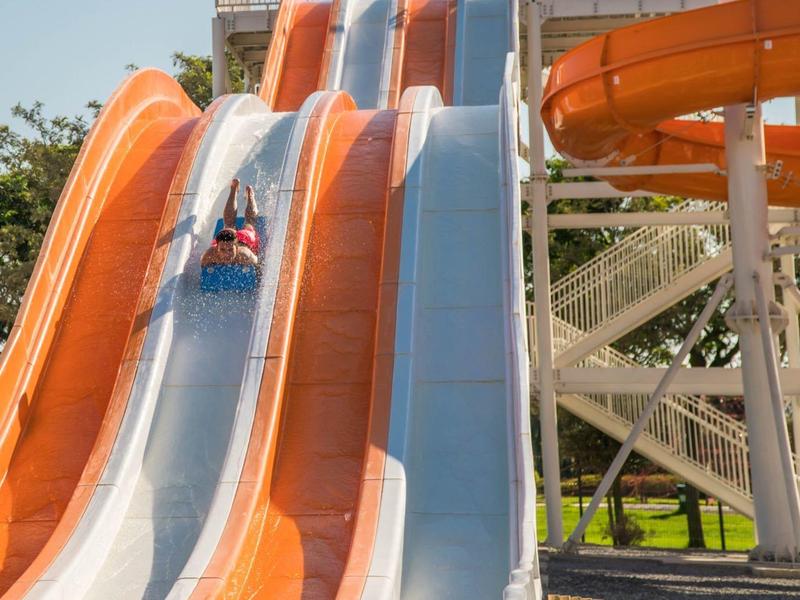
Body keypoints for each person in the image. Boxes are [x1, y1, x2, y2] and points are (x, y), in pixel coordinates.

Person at [201, 178, 260, 267]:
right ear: (217, 248)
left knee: (250, 223)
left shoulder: (244, 255)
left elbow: (257, 263)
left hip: (244, 239)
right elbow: (202, 269)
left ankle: (250, 196)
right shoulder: (209, 255)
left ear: (236, 248)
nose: (227, 254)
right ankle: (233, 189)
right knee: (228, 225)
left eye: (230, 250)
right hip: (229, 240)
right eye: (222, 250)